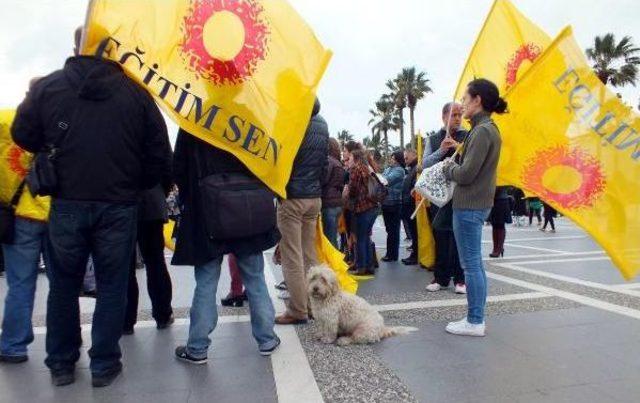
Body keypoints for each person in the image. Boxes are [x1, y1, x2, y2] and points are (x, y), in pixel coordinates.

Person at [11, 27, 170, 387]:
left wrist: (50, 145)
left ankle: (62, 363)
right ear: (114, 51)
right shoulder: (135, 94)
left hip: (67, 199)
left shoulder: (49, 88)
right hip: (118, 203)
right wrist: (134, 181)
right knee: (113, 283)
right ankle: (103, 363)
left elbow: (23, 133)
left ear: (76, 47)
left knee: (63, 284)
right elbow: (159, 154)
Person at [172, 129, 281, 363]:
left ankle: (198, 346)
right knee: (255, 277)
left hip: (206, 209)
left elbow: (178, 166)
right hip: (247, 206)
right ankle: (267, 339)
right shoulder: (248, 113)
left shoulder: (194, 115)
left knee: (206, 282)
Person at [442, 78, 506, 337]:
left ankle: (475, 320)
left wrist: (448, 167)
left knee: (470, 265)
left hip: (469, 205)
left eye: (466, 99)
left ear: (477, 100)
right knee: (473, 264)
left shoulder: (482, 131)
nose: (463, 104)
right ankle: (475, 317)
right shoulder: (486, 129)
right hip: (475, 204)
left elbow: (467, 173)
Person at [0, 104, 51, 363]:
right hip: (55, 214)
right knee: (62, 285)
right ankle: (62, 345)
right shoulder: (58, 124)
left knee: (20, 284)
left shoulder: (7, 120)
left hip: (18, 214)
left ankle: (13, 345)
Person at [275, 98, 328, 325]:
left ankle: (298, 310)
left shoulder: (291, 120)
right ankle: (313, 306)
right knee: (309, 254)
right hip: (314, 196)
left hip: (293, 195)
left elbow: (279, 157)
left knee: (292, 256)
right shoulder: (322, 123)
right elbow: (324, 162)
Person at [123, 148, 175, 335]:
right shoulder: (153, 121)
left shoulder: (116, 123)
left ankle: (126, 320)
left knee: (124, 266)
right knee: (156, 262)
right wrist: (161, 189)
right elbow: (168, 164)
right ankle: (162, 314)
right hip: (151, 200)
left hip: (122, 201)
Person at [423, 102, 467, 294]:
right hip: (439, 195)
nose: (457, 119)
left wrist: (460, 148)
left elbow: (474, 160)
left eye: (460, 115)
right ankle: (440, 278)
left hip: (461, 193)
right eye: (454, 115)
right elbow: (424, 164)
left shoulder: (468, 136)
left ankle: (460, 280)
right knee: (440, 236)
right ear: (444, 117)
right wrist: (441, 150)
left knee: (459, 237)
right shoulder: (433, 138)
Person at [347, 149, 380, 275]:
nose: (348, 160)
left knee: (360, 238)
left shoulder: (356, 170)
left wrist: (348, 191)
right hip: (373, 206)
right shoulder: (368, 168)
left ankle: (361, 267)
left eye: (349, 158)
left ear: (355, 159)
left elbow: (353, 190)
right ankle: (369, 266)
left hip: (363, 207)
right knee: (366, 236)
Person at [380, 151, 405, 262]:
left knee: (393, 231)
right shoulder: (388, 169)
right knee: (389, 229)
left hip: (394, 203)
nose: (391, 160)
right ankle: (390, 253)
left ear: (398, 160)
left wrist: (381, 178)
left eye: (393, 159)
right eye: (391, 158)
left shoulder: (399, 170)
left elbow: (385, 180)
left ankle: (392, 255)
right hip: (386, 203)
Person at [321, 137, 345, 249]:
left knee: (329, 240)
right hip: (337, 203)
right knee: (333, 236)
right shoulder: (338, 163)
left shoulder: (328, 161)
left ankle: (333, 265)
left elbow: (324, 179)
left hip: (328, 203)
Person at [401, 148, 419, 265]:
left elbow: (415, 185)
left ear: (414, 155)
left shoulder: (416, 168)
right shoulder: (411, 169)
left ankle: (415, 255)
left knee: (415, 232)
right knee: (413, 232)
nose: (405, 160)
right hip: (409, 203)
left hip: (413, 204)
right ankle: (414, 253)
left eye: (407, 157)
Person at [488, 186, 512, 258]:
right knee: (495, 225)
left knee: (500, 225)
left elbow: (498, 188)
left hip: (501, 200)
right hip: (495, 200)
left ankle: (499, 248)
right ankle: (496, 248)